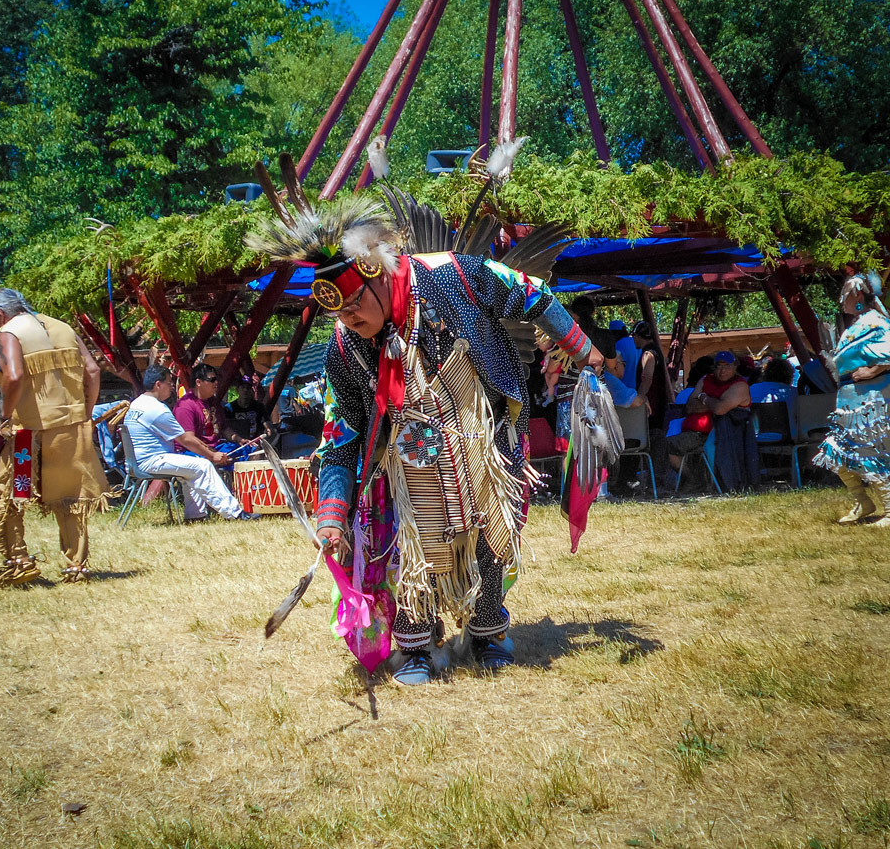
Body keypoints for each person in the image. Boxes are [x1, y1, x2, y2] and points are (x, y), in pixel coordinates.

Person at [248, 193, 603, 685]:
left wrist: (582, 348)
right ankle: (416, 642)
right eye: (339, 311)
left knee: (489, 533)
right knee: (407, 541)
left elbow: (531, 292)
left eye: (355, 304)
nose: (349, 317)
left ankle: (486, 630)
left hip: (484, 429)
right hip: (407, 453)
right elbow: (341, 435)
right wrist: (331, 514)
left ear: (378, 276)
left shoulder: (450, 274)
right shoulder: (345, 347)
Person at [0, 289, 110, 585]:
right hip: (73, 429)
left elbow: (13, 376)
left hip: (30, 435)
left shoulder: (9, 332)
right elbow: (92, 370)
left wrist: (3, 417)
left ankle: (19, 561)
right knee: (70, 499)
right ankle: (77, 568)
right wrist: (85, 411)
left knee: (5, 494)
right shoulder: (63, 327)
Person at [813, 274, 890, 526]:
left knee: (866, 453)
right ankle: (863, 502)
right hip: (853, 399)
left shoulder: (875, 321)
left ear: (858, 295)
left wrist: (872, 370)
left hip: (871, 397)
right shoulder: (860, 323)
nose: (841, 300)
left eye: (845, 294)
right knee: (837, 454)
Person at [125, 364, 256, 523]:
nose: (172, 387)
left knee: (191, 469)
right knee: (202, 465)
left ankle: (195, 516)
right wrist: (212, 455)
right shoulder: (157, 409)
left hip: (139, 462)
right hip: (152, 461)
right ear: (158, 385)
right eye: (169, 383)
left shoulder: (136, 404)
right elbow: (185, 439)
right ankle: (235, 513)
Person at [685, 351, 759, 491]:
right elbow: (689, 407)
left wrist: (704, 397)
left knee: (711, 446)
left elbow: (719, 409)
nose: (722, 370)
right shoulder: (706, 379)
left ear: (735, 367)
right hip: (698, 431)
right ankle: (694, 481)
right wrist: (715, 403)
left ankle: (714, 484)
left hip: (730, 434)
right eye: (719, 366)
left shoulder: (740, 385)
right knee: (669, 446)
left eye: (727, 366)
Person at [174, 363, 254, 461]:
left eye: (217, 379)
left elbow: (224, 428)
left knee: (252, 450)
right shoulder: (185, 405)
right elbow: (188, 439)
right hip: (191, 453)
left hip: (215, 448)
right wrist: (212, 455)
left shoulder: (213, 401)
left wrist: (239, 440)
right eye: (212, 380)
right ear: (198, 382)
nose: (216, 382)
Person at [749, 356, 798, 441]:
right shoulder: (794, 392)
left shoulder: (752, 389)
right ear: (790, 375)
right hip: (788, 438)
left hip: (756, 438)